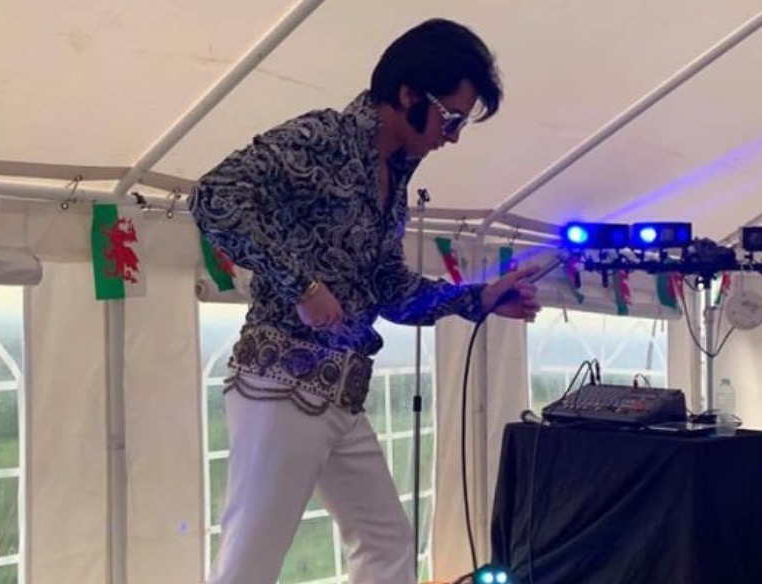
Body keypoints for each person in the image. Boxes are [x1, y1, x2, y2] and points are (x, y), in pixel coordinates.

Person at [189, 18, 541, 584]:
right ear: (407, 95)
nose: (452, 137)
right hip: (281, 382)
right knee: (250, 559)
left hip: (339, 391)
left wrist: (479, 298)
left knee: (386, 542)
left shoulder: (393, 174)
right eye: (450, 118)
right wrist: (302, 285)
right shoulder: (323, 139)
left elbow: (390, 289)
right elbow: (213, 196)